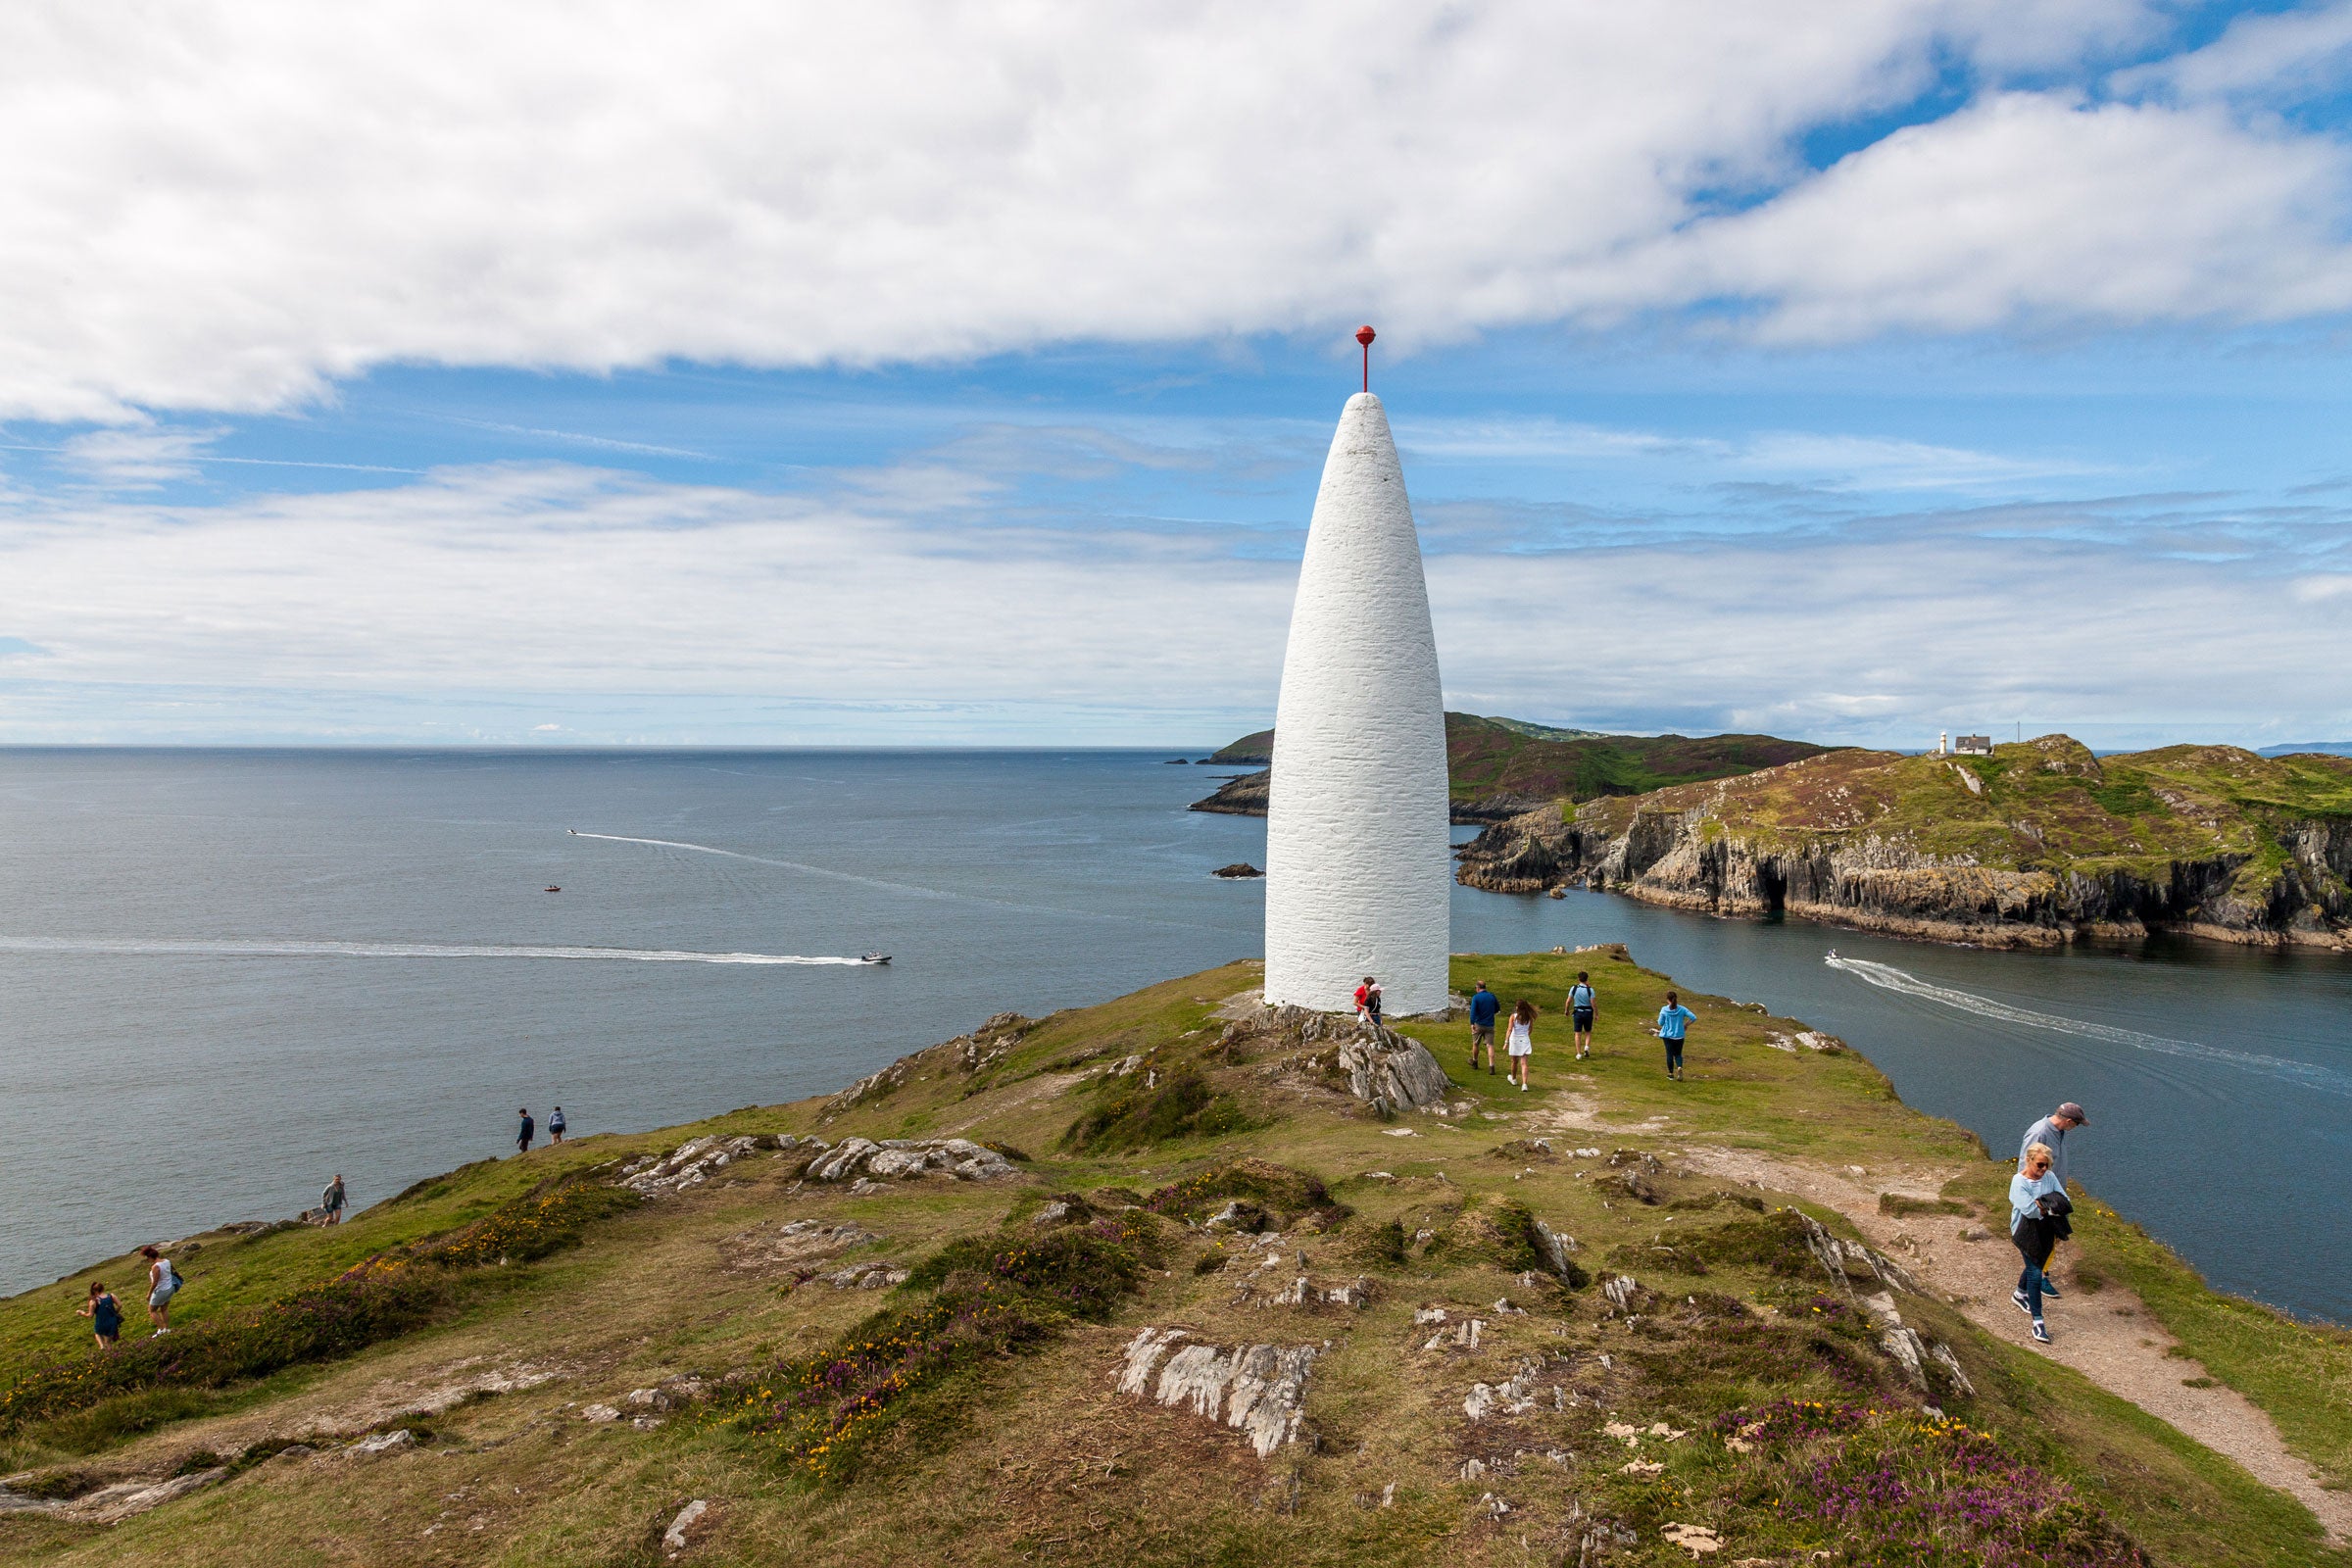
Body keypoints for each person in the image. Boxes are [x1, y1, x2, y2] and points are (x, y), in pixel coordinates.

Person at [2018, 1102, 2087, 1295]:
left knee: (2053, 1237)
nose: (2077, 1128)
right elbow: (2025, 1167)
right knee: (2041, 1239)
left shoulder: (2058, 1132)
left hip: (2053, 1195)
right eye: (2078, 1124)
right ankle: (2037, 1280)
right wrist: (2033, 1201)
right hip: (2042, 1198)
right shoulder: (2040, 1133)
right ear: (2068, 1121)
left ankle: (2041, 1273)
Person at [2011, 1141, 2067, 1344]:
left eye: (2047, 1166)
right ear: (2029, 1160)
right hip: (2024, 1230)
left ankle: (2019, 1293)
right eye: (2040, 1165)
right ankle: (2038, 1323)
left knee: (2036, 1264)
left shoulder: (2050, 1177)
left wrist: (2043, 1205)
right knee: (2036, 1272)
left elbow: (2064, 1200)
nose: (2043, 1170)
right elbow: (2029, 1211)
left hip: (2046, 1230)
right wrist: (2048, 1204)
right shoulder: (2019, 1182)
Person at [1654, 992, 1696, 1081]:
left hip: (1668, 1036)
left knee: (1669, 1054)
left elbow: (1660, 1023)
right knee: (1678, 1054)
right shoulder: (1682, 1009)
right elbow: (1693, 1017)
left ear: (1667, 1000)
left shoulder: (1664, 1009)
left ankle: (1670, 1074)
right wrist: (1686, 1025)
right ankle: (1679, 1067)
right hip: (1679, 1035)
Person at [139, 1246, 180, 1336]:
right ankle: (166, 1328)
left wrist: (149, 1294)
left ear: (150, 1257)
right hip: (170, 1288)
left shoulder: (156, 1267)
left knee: (152, 1310)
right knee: (164, 1308)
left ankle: (161, 1329)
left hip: (161, 1290)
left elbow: (155, 1282)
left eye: (147, 1258)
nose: (148, 1260)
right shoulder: (167, 1261)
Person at [77, 1281, 122, 1349]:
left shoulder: (93, 1301)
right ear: (103, 1288)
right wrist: (115, 1312)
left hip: (101, 1323)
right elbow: (120, 1305)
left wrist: (82, 1313)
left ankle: (101, 1345)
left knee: (97, 1333)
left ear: (94, 1290)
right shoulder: (111, 1296)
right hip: (112, 1322)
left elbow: (90, 1315)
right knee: (108, 1342)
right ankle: (111, 1355)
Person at [1468, 982, 1500, 1074]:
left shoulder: (1476, 998)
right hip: (1490, 1024)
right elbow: (1497, 1008)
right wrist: (1491, 1012)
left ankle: (1475, 1061)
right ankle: (1491, 1066)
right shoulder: (1491, 996)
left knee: (1475, 1043)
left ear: (1478, 988)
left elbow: (1473, 1011)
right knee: (1490, 1045)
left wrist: (1472, 1023)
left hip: (1478, 1024)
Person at [1504, 1000, 1536, 1092]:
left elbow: (1509, 1029)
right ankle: (1524, 1084)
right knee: (1524, 1063)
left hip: (1514, 1040)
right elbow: (1530, 1029)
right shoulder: (1529, 1017)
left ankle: (1513, 1079)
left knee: (1514, 1061)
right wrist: (1526, 1035)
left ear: (1517, 1008)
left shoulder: (1513, 1017)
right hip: (1525, 1040)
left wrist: (1506, 1042)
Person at [1565, 971, 1597, 1059]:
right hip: (1588, 1012)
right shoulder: (1590, 990)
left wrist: (1566, 1010)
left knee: (1577, 1033)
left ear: (1578, 979)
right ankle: (1586, 1047)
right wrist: (1596, 1014)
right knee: (1588, 1031)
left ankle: (1579, 1053)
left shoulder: (1574, 988)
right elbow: (1593, 1004)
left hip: (1578, 1013)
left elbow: (1568, 1001)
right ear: (1587, 979)